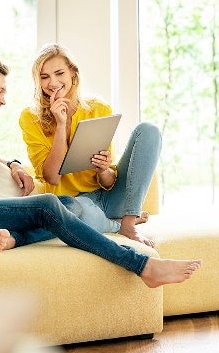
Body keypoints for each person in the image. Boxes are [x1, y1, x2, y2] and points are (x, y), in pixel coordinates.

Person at [0, 57, 201, 288]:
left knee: (67, 206)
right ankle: (143, 266)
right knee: (47, 204)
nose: (3, 100)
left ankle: (13, 238)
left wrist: (12, 164)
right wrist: (23, 206)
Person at [20, 43, 161, 247]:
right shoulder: (30, 118)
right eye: (44, 77)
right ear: (38, 81)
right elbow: (51, 176)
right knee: (72, 215)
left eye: (59, 73)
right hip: (73, 204)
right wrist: (60, 124)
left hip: (108, 198)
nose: (53, 82)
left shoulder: (98, 108)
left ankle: (129, 222)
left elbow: (108, 181)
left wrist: (103, 169)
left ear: (73, 74)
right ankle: (115, 225)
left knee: (149, 130)